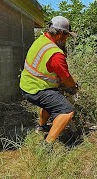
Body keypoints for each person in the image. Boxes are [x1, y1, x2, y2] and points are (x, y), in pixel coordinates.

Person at [19, 16, 78, 144]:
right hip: (36, 89)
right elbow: (66, 79)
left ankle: (41, 127)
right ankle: (47, 145)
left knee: (53, 97)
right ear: (61, 34)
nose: (67, 39)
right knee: (67, 111)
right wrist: (74, 86)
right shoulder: (55, 54)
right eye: (67, 35)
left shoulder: (42, 40)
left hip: (27, 85)